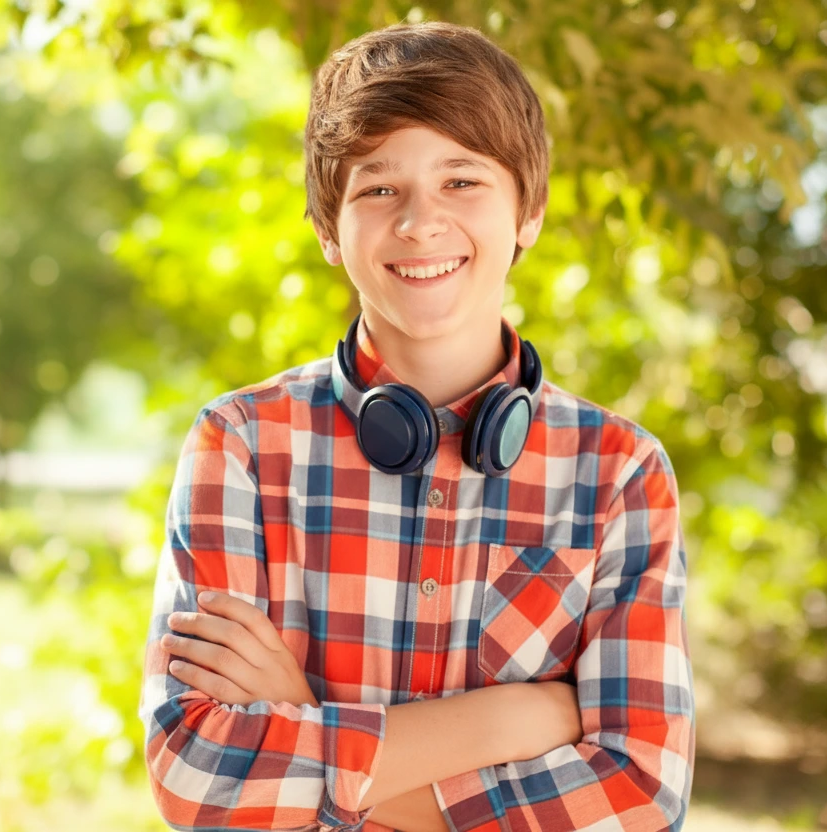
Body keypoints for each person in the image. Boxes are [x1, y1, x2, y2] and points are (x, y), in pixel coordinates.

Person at [138, 20, 695, 832]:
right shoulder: (244, 445)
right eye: (378, 187)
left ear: (528, 212)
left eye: (463, 181)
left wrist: (302, 724)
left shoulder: (619, 471)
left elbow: (641, 793)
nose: (420, 221)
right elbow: (201, 777)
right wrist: (516, 720)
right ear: (329, 229)